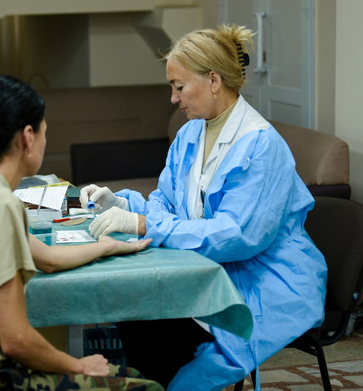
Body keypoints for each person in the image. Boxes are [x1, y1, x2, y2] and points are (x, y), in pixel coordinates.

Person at [79, 24, 327, 391]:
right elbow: (167, 202)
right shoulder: (190, 133)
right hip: (209, 266)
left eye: (179, 86)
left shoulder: (262, 146)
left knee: (158, 325)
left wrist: (145, 225)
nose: (174, 98)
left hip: (266, 279)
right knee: (137, 309)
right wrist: (123, 203)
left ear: (213, 80)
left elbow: (238, 235)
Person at [0, 75, 163, 391]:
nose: (45, 141)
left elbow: (47, 258)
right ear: (27, 137)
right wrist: (78, 365)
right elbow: (16, 340)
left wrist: (105, 247)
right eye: (44, 133)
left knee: (126, 373)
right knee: (147, 387)